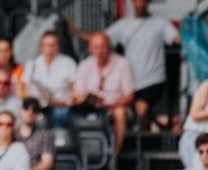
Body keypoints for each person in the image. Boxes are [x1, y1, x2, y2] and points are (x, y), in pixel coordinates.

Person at [68, 0, 180, 130]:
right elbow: (99, 38)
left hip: (153, 79)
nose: (140, 4)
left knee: (141, 108)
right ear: (132, 3)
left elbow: (177, 38)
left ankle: (146, 138)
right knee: (131, 112)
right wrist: (75, 30)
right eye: (137, 1)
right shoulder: (123, 25)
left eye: (143, 1)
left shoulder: (160, 23)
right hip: (132, 80)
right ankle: (148, 130)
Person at [71, 32, 135, 155]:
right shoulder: (85, 65)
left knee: (120, 113)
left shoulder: (123, 64)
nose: (99, 51)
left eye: (103, 46)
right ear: (90, 48)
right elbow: (78, 93)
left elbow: (129, 95)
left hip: (115, 105)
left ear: (109, 47)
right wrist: (89, 100)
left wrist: (109, 104)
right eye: (95, 47)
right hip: (91, 106)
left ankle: (114, 155)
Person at [20, 31, 77, 126]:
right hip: (38, 108)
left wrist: (65, 100)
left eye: (53, 45)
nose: (50, 48)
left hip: (62, 108)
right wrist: (35, 99)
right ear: (41, 47)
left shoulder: (68, 63)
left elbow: (76, 90)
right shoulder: (32, 64)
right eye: (46, 45)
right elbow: (23, 90)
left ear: (58, 46)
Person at [18, 98, 55, 170]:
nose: (30, 113)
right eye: (26, 108)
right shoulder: (13, 134)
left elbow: (47, 163)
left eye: (34, 110)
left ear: (38, 114)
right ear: (21, 111)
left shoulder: (45, 135)